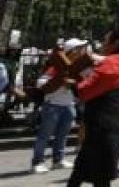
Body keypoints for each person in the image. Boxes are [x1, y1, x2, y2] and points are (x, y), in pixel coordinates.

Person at [67, 28, 119, 187]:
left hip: (101, 124)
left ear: (116, 43)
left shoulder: (111, 65)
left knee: (88, 175)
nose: (103, 44)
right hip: (113, 123)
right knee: (97, 175)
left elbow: (84, 90)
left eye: (106, 40)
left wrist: (71, 84)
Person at [30, 38, 88, 174]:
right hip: (53, 105)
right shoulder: (56, 66)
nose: (82, 52)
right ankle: (37, 162)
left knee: (63, 135)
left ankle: (58, 160)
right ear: (72, 51)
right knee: (44, 135)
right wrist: (61, 81)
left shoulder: (76, 67)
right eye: (79, 49)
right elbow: (40, 83)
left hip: (68, 105)